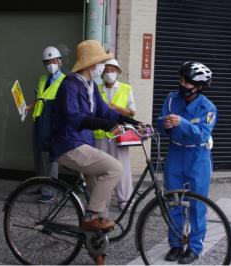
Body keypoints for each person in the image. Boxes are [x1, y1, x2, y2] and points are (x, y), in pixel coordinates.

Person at [50, 40, 141, 265]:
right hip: (68, 144)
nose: (103, 67)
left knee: (101, 207)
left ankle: (98, 253)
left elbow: (106, 112)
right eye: (100, 63)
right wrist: (105, 125)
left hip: (83, 144)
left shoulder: (89, 85)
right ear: (90, 65)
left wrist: (134, 122)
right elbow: (75, 117)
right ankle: (90, 216)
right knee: (115, 168)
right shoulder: (70, 85)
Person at [157, 61, 217, 264]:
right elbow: (160, 121)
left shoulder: (208, 108)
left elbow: (201, 135)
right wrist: (164, 124)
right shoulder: (172, 99)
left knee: (197, 205)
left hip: (198, 157)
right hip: (175, 153)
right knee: (174, 201)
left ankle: (194, 247)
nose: (181, 84)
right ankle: (175, 244)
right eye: (180, 79)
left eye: (185, 81)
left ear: (198, 86)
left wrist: (181, 123)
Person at [94, 59, 136, 210]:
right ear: (102, 73)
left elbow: (132, 112)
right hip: (100, 133)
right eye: (107, 70)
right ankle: (101, 200)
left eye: (112, 70)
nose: (109, 73)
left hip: (119, 133)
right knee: (100, 167)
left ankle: (124, 200)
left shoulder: (126, 88)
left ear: (117, 72)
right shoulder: (96, 88)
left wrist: (116, 108)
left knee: (122, 166)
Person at [25, 46, 65, 203]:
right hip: (39, 120)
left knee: (50, 157)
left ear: (60, 62)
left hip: (52, 123)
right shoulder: (43, 79)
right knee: (38, 156)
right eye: (47, 62)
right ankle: (42, 185)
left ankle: (51, 192)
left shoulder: (64, 81)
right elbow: (40, 98)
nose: (51, 64)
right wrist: (28, 107)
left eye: (53, 61)